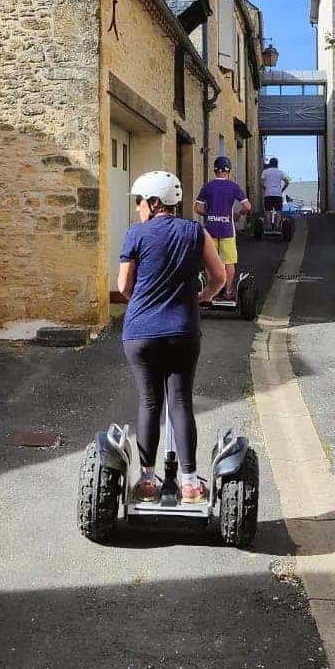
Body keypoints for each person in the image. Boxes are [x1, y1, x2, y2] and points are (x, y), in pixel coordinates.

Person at [118, 171, 227, 503]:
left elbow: (124, 287)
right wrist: (202, 297)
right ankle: (191, 483)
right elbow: (219, 276)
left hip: (140, 333)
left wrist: (141, 299)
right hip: (182, 330)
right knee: (180, 402)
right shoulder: (196, 231)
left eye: (140, 202)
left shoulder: (135, 234)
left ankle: (148, 481)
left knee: (150, 402)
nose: (137, 208)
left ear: (153, 202)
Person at [194, 156, 251, 300]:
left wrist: (210, 214)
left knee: (210, 262)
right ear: (229, 170)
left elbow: (198, 208)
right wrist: (238, 215)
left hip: (210, 229)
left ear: (215, 170)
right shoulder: (233, 187)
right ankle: (227, 292)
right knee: (228, 262)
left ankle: (211, 293)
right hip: (227, 230)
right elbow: (247, 207)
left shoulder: (208, 186)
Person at [260, 157, 290, 230]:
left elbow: (261, 183)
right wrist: (282, 190)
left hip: (268, 194)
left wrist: (265, 188)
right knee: (278, 211)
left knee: (268, 210)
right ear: (277, 164)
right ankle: (277, 226)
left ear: (270, 164)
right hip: (278, 194)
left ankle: (269, 226)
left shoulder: (265, 172)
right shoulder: (280, 172)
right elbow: (287, 182)